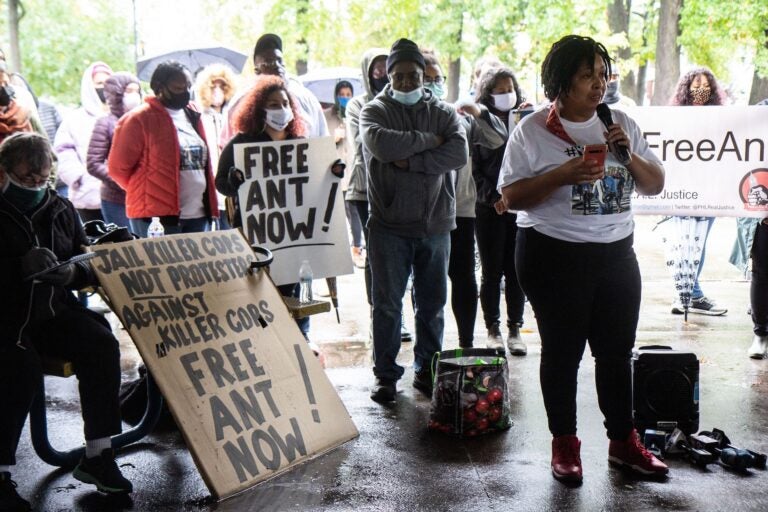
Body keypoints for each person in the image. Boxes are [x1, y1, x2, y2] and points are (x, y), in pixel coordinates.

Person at [498, 35, 668, 483]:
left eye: (602, 73)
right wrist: (562, 174)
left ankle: (623, 443)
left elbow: (654, 185)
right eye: (586, 75)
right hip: (553, 255)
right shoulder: (533, 129)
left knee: (616, 352)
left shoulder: (620, 123)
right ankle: (565, 445)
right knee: (562, 353)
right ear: (561, 81)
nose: (598, 84)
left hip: (616, 254)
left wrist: (626, 158)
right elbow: (512, 196)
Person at [0, 133, 132, 511]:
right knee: (17, 368)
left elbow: (83, 260)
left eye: (42, 178)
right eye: (26, 179)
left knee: (101, 342)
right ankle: (1, 473)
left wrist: (72, 275)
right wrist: (16, 268)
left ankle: (98, 454)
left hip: (53, 313)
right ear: (4, 173)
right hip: (7, 320)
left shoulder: (61, 208)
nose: (36, 186)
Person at [360, 38, 467, 402]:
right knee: (387, 305)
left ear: (423, 75)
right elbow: (383, 146)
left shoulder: (444, 111)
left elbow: (458, 152)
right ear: (389, 77)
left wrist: (415, 160)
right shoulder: (373, 111)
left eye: (413, 75)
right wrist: (429, 140)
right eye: (400, 76)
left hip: (436, 224)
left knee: (433, 304)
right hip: (389, 226)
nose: (407, 82)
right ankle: (386, 376)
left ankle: (428, 369)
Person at [215, 75, 342, 356]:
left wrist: (333, 171)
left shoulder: (301, 142)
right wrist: (235, 180)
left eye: (284, 103)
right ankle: (264, 344)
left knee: (294, 287)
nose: (280, 108)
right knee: (260, 291)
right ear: (259, 108)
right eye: (273, 104)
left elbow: (318, 177)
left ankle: (299, 339)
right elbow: (220, 183)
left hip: (293, 232)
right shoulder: (240, 144)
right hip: (255, 235)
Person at [422, 50, 507, 349]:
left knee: (463, 277)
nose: (432, 85)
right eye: (426, 79)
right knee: (428, 285)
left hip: (461, 209)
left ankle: (466, 345)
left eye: (437, 79)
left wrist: (479, 112)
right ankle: (428, 351)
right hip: (425, 214)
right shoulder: (409, 119)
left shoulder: (458, 116)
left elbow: (498, 138)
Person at [108, 61, 218, 237]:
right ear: (159, 88)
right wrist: (148, 190)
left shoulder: (193, 114)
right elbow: (117, 169)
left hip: (198, 213)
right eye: (178, 88)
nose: (186, 92)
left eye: (189, 86)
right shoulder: (138, 120)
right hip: (156, 219)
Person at [473, 66, 528, 355]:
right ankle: (492, 329)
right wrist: (493, 196)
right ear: (488, 93)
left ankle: (515, 329)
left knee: (516, 270)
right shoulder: (479, 120)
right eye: (500, 90)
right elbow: (473, 168)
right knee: (491, 271)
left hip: (519, 206)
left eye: (511, 89)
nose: (507, 95)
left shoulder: (526, 118)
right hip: (489, 207)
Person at [668, 68, 728, 316]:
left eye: (705, 85)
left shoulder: (720, 119)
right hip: (682, 189)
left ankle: (688, 293)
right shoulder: (675, 118)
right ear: (686, 88)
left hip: (707, 190)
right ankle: (689, 294)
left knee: (698, 244)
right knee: (680, 244)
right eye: (695, 85)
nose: (700, 89)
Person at [221, 33, 328, 146]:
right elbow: (226, 145)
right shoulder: (239, 103)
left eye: (280, 60)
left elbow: (323, 142)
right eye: (269, 62)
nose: (277, 65)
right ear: (256, 70)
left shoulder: (306, 98)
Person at [54, 61, 113, 223]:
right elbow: (62, 152)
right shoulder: (74, 119)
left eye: (108, 82)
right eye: (99, 83)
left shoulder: (123, 116)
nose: (104, 87)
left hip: (119, 197)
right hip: (87, 197)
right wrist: (78, 178)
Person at [86, 72, 141, 228]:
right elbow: (93, 163)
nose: (134, 96)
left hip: (140, 198)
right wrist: (122, 180)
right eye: (129, 91)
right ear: (117, 93)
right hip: (116, 200)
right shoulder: (105, 123)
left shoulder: (143, 121)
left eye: (137, 91)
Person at [194, 63, 238, 229]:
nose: (217, 91)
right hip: (208, 182)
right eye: (213, 87)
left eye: (222, 86)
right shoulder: (199, 116)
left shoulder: (233, 113)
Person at [326, 80, 364, 267]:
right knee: (336, 216)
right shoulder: (327, 116)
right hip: (334, 174)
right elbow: (320, 144)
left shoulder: (356, 114)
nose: (345, 98)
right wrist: (335, 138)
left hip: (353, 174)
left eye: (349, 94)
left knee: (354, 213)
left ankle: (357, 249)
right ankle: (337, 253)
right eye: (342, 94)